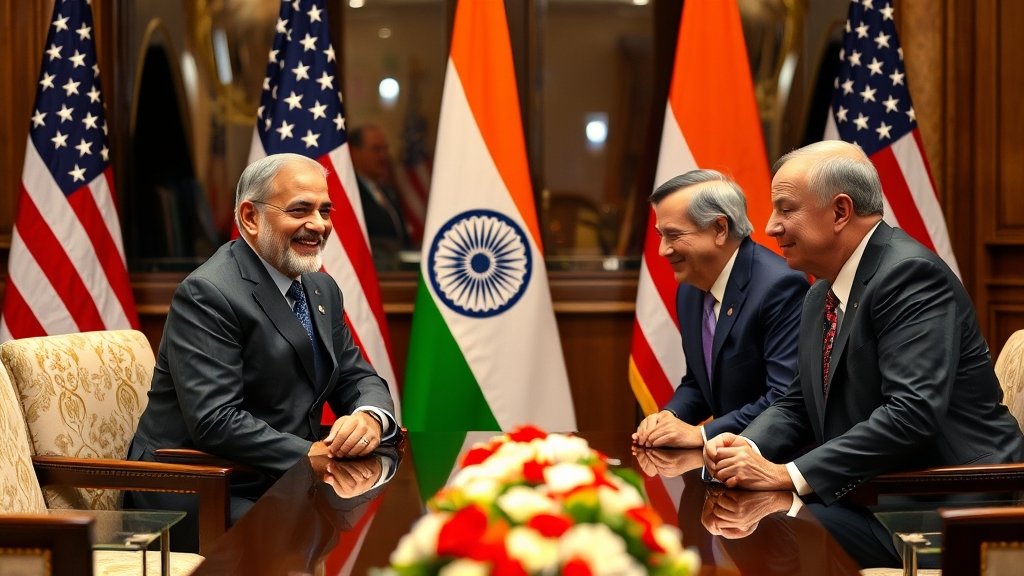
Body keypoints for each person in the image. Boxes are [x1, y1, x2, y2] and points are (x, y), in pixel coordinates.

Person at [704, 140, 1024, 503]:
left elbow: (911, 413)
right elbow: (798, 403)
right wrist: (745, 445)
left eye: (786, 209)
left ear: (841, 211)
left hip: (943, 497)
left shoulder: (909, 276)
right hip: (873, 489)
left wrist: (786, 474)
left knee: (763, 526)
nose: (771, 227)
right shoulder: (820, 292)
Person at [127, 153, 399, 550]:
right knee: (306, 536)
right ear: (250, 217)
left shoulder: (320, 288)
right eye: (300, 210)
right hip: (204, 487)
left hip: (283, 478)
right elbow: (215, 420)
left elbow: (357, 376)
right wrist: (309, 453)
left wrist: (369, 418)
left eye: (325, 210)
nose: (319, 225)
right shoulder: (209, 293)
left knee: (387, 527)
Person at [633, 170, 808, 448]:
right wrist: (669, 416)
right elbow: (699, 382)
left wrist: (701, 434)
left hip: (774, 461)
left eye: (673, 235)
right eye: (660, 236)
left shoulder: (779, 286)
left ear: (719, 229)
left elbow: (783, 397)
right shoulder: (690, 290)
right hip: (724, 463)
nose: (663, 250)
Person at [349, 123, 410, 269]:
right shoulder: (352, 194)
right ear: (353, 152)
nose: (383, 156)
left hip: (395, 271)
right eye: (376, 149)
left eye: (385, 149)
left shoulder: (388, 192)